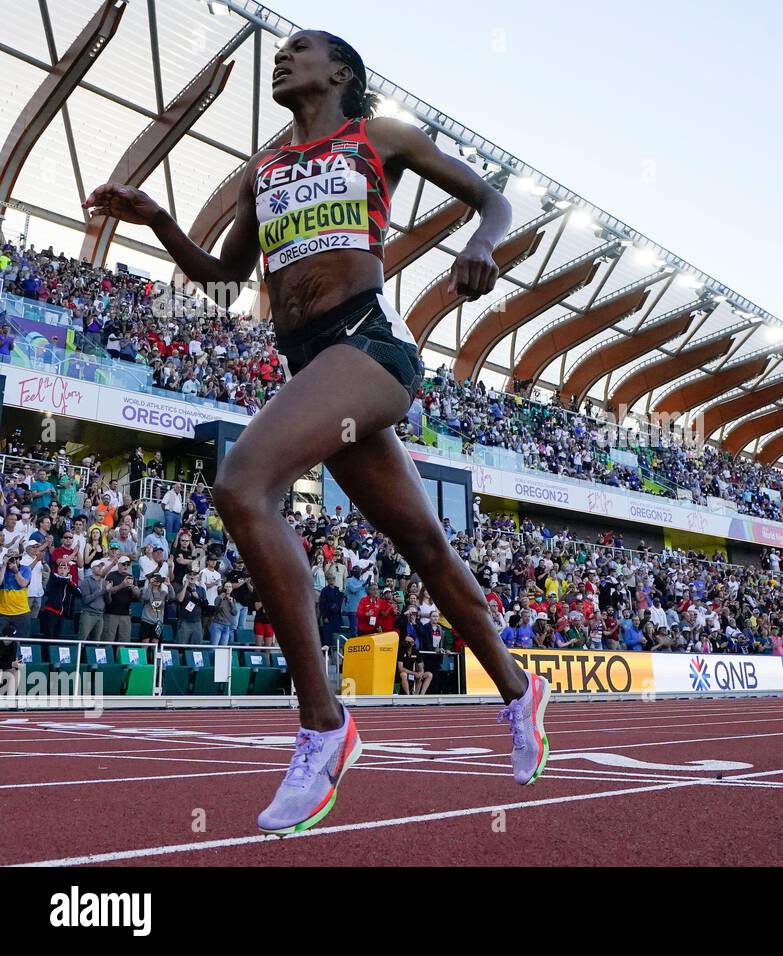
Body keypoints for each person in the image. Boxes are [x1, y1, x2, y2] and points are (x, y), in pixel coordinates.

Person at [85, 29, 548, 836]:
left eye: (299, 50)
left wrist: (481, 246)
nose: (282, 58)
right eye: (282, 52)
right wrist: (157, 219)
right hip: (314, 369)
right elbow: (225, 277)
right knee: (426, 547)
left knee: (241, 483)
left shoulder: (379, 137)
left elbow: (494, 199)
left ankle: (324, 726)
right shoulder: (260, 173)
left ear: (341, 73)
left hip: (369, 345)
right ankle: (520, 690)